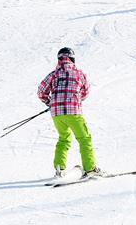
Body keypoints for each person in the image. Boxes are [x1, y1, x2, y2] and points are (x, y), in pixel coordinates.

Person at [38, 47, 100, 178]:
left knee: (64, 139)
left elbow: (41, 91)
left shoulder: (53, 74)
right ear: (72, 59)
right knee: (84, 138)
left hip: (57, 114)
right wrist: (75, 99)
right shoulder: (79, 73)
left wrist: (50, 102)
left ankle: (60, 170)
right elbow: (85, 92)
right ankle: (90, 169)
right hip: (73, 112)